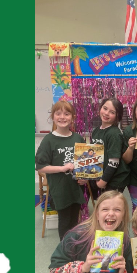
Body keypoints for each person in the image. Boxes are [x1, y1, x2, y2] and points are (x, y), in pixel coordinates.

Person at [35, 100, 88, 239]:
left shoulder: (78, 138)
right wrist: (62, 168)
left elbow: (84, 164)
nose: (62, 117)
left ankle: (73, 250)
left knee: (74, 222)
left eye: (66, 113)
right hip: (60, 191)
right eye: (58, 113)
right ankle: (65, 255)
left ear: (73, 117)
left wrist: (84, 178)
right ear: (52, 116)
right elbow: (40, 166)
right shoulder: (49, 140)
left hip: (75, 189)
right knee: (64, 224)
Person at [91, 97, 130, 201]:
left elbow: (114, 162)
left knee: (111, 208)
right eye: (105, 108)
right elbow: (93, 156)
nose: (107, 113)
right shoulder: (95, 131)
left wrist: (103, 181)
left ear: (117, 116)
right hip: (102, 176)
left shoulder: (114, 133)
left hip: (113, 180)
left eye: (112, 112)